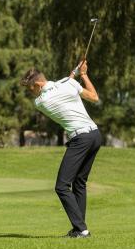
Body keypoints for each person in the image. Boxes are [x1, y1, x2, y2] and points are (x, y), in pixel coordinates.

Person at [21, 60, 101, 238]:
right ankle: (78, 228)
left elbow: (59, 86)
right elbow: (94, 97)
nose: (31, 94)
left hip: (80, 139)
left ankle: (82, 229)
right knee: (79, 183)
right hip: (95, 135)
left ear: (39, 85)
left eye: (31, 89)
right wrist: (83, 75)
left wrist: (73, 75)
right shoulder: (69, 83)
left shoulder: (41, 102)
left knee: (62, 186)